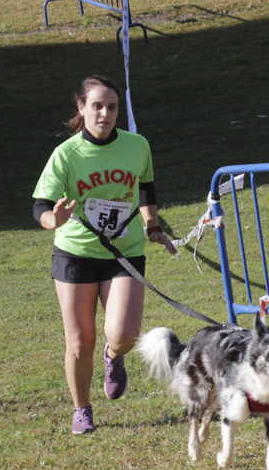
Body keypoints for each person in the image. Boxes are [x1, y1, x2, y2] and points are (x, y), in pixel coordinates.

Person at [33, 74, 177, 434]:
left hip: (123, 251)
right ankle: (82, 409)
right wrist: (54, 219)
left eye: (112, 107)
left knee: (124, 335)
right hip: (75, 254)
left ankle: (114, 358)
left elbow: (145, 187)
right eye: (96, 106)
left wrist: (153, 227)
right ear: (81, 109)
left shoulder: (137, 145)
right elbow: (40, 204)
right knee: (80, 342)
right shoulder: (65, 154)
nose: (105, 113)